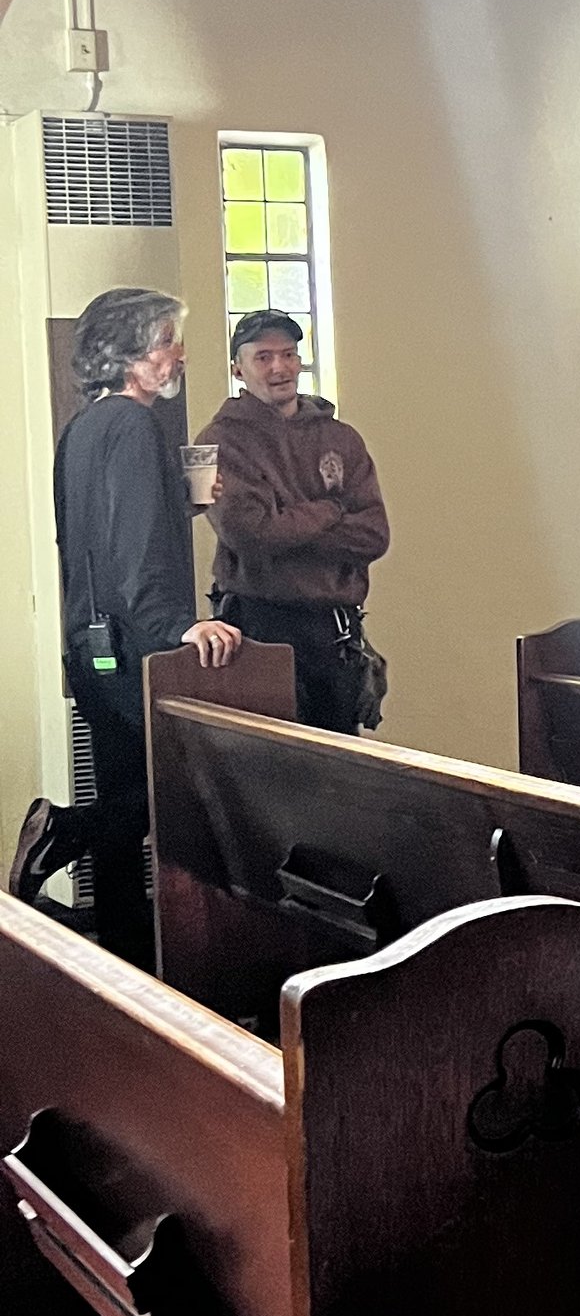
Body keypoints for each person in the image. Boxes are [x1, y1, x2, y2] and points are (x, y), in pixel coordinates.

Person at [10, 290, 241, 963]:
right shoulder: (137, 427)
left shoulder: (83, 428)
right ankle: (64, 829)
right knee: (182, 782)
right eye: (168, 340)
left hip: (90, 640)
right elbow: (136, 547)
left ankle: (120, 950)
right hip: (135, 640)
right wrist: (180, 628)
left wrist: (182, 503)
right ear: (132, 356)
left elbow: (95, 539)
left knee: (124, 784)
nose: (180, 353)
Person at [205, 308, 391, 733]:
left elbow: (375, 534)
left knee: (339, 768)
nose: (279, 368)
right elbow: (252, 534)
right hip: (258, 625)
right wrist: (330, 510)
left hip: (334, 628)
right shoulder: (222, 440)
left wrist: (286, 522)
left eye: (289, 355)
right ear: (238, 368)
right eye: (264, 357)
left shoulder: (340, 439)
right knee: (271, 768)